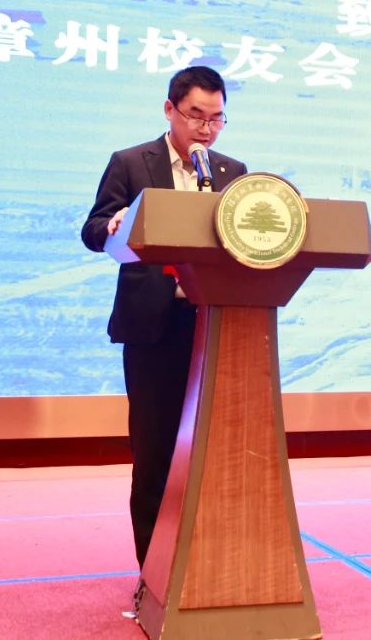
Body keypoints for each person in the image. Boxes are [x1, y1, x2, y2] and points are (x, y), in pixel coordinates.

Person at [81, 66, 248, 572]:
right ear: (170, 109)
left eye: (217, 119)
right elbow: (92, 229)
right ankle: (153, 574)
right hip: (153, 327)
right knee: (155, 453)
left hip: (214, 324)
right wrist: (113, 225)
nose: (206, 129)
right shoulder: (132, 162)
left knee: (212, 453)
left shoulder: (232, 172)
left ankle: (206, 569)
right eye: (196, 115)